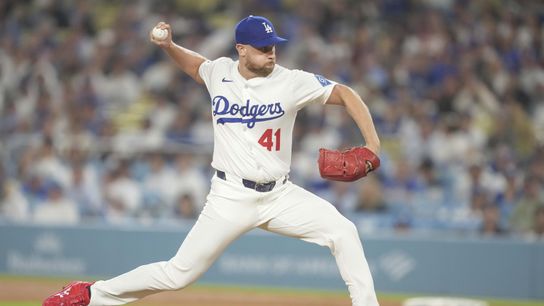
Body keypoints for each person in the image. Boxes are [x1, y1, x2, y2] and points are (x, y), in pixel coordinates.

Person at [43, 15, 381, 306]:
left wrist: (373, 144)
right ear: (241, 50)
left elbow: (346, 94)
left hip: (280, 195)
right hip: (230, 196)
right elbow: (196, 66)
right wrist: (169, 47)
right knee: (178, 274)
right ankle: (91, 295)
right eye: (263, 47)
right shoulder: (220, 73)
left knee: (343, 231)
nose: (271, 53)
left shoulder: (291, 81)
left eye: (273, 45)